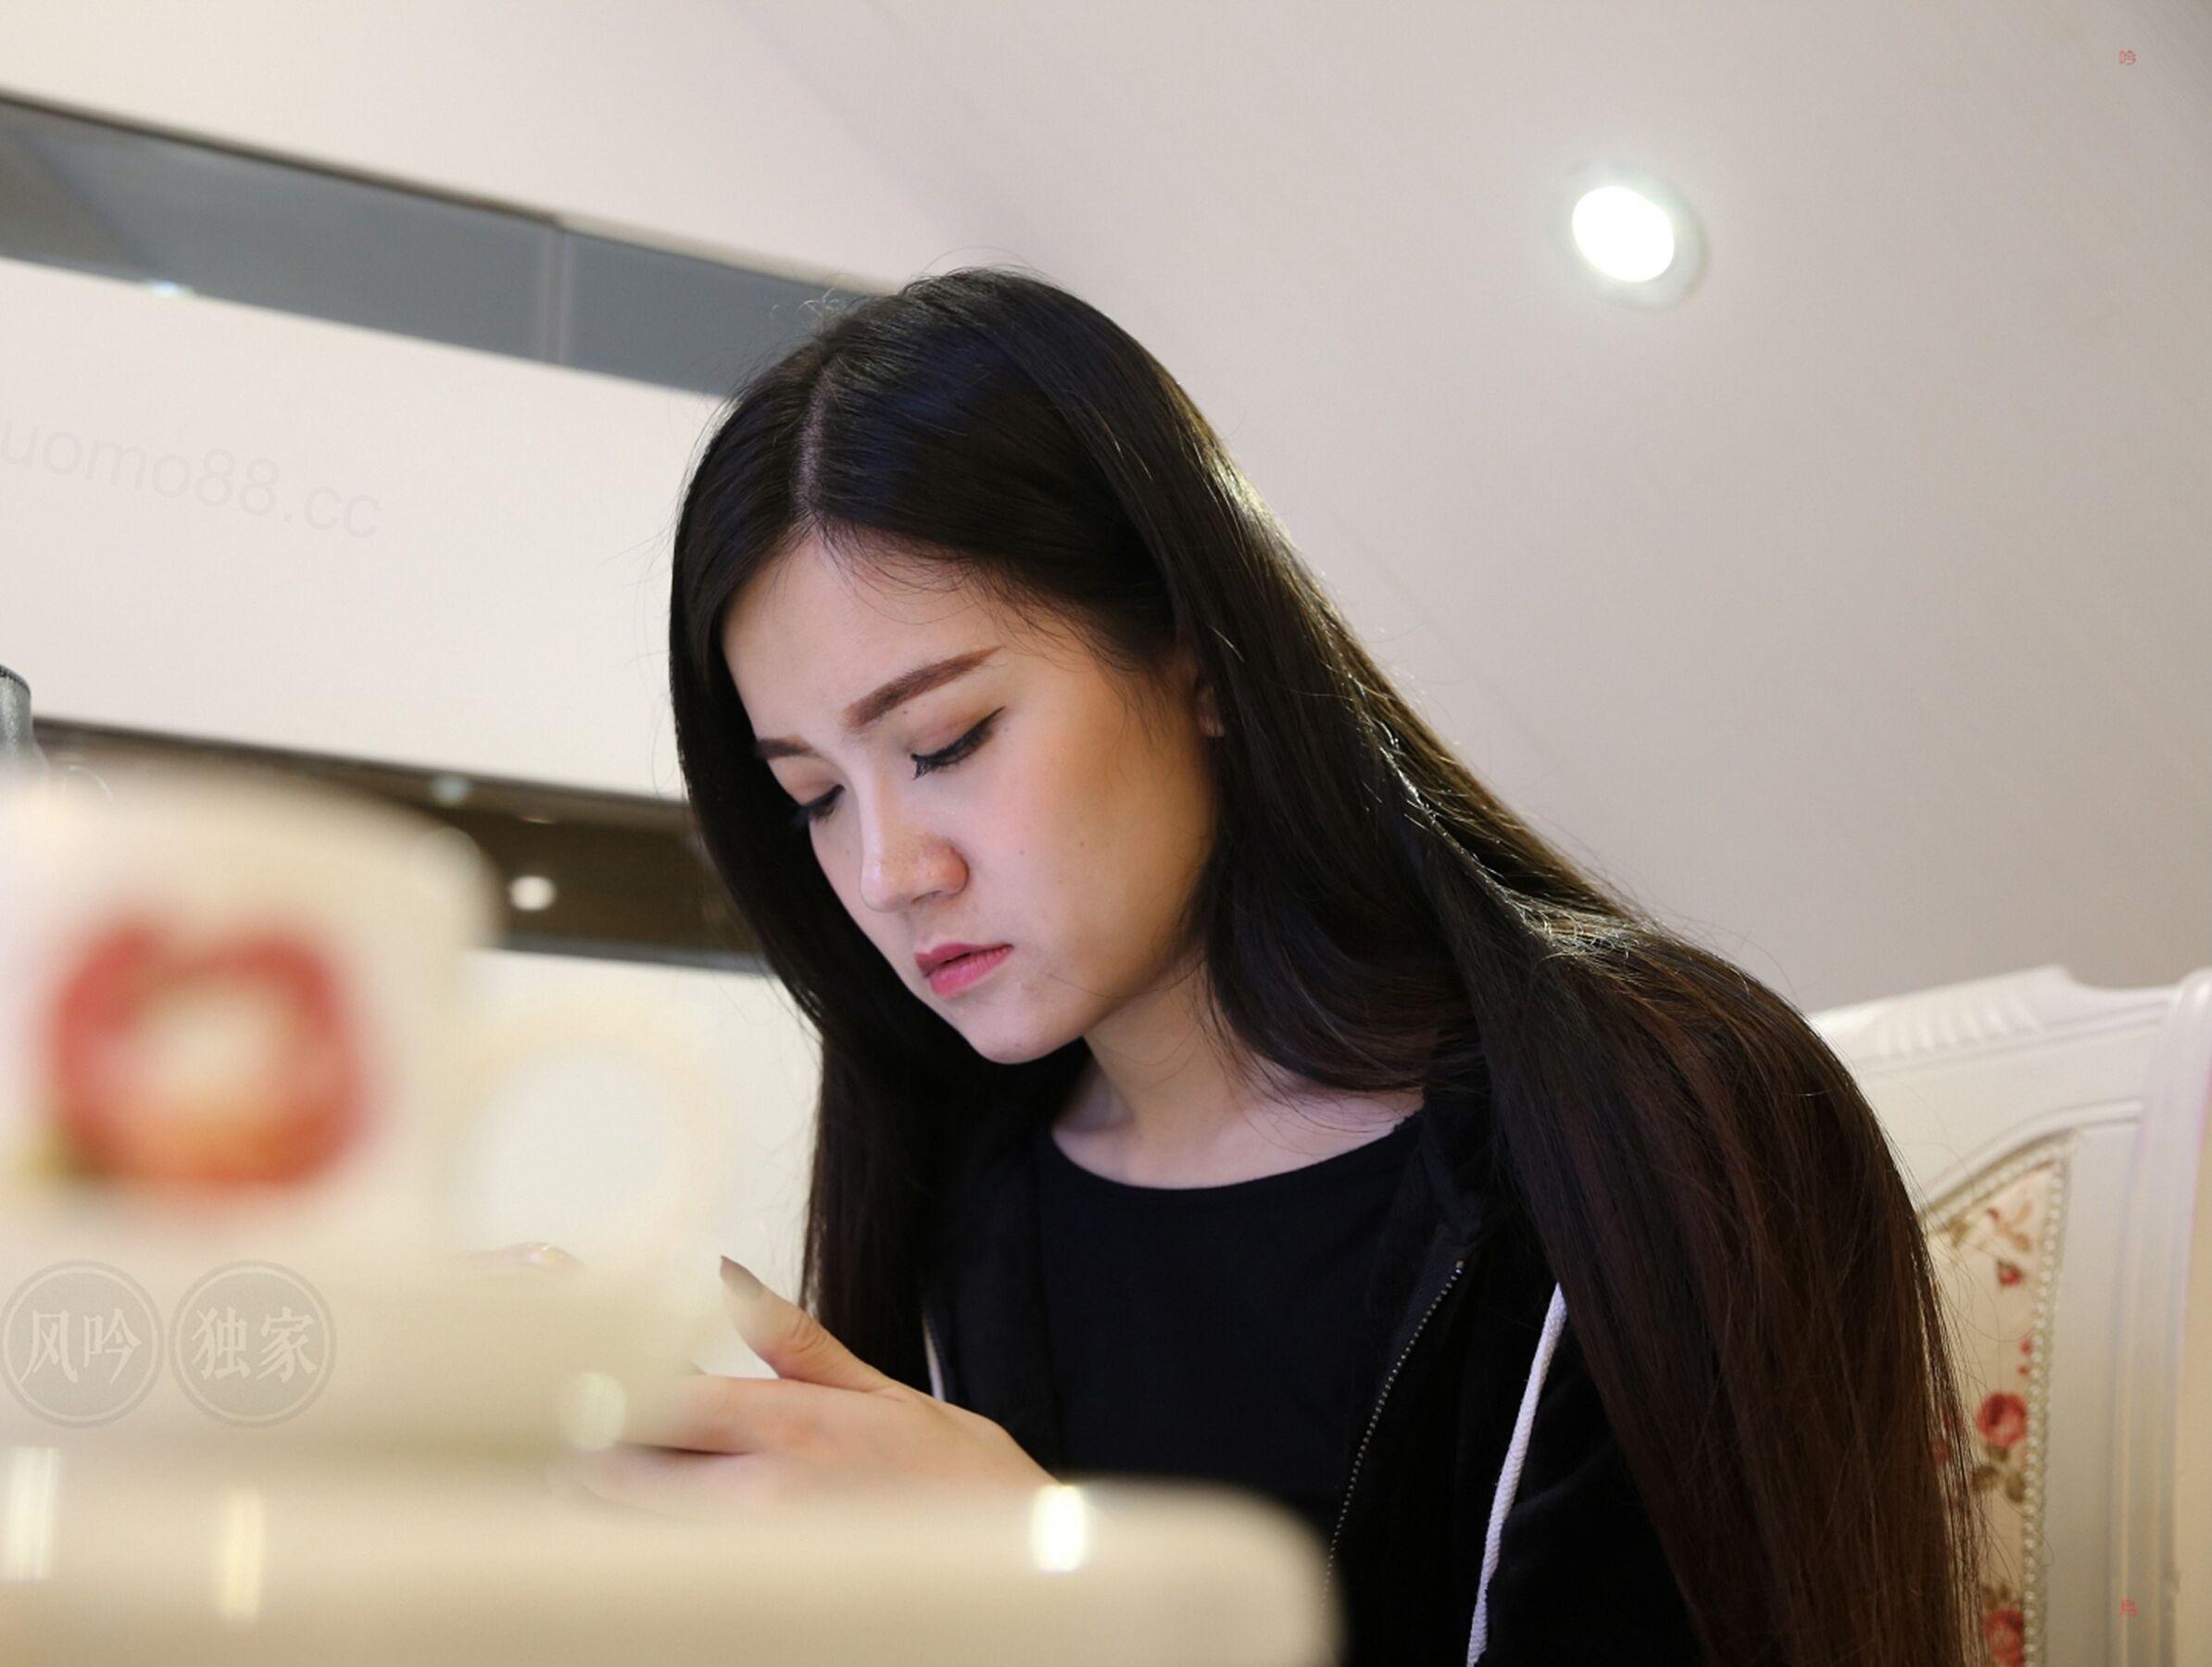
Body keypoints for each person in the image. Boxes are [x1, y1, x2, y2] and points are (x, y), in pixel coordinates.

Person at [581, 266, 1979, 1666]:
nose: (888, 872)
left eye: (947, 742)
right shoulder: (956, 1188)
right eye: (816, 796)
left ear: (1200, 658)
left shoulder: (1661, 1131)